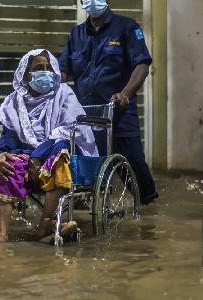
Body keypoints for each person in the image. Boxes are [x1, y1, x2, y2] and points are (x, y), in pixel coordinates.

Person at [0, 49, 99, 242]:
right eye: (38, 68)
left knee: (58, 160)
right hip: (27, 155)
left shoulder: (64, 94)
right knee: (5, 167)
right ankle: (2, 235)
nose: (45, 72)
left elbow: (69, 132)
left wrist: (37, 156)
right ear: (26, 75)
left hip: (59, 149)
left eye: (48, 67)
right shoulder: (13, 102)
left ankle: (45, 223)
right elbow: (8, 140)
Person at [59, 0, 158, 205]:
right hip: (85, 118)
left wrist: (126, 93)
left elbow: (142, 64)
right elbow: (63, 70)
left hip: (119, 114)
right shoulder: (76, 35)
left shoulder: (126, 27)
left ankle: (149, 219)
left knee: (137, 174)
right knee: (84, 179)